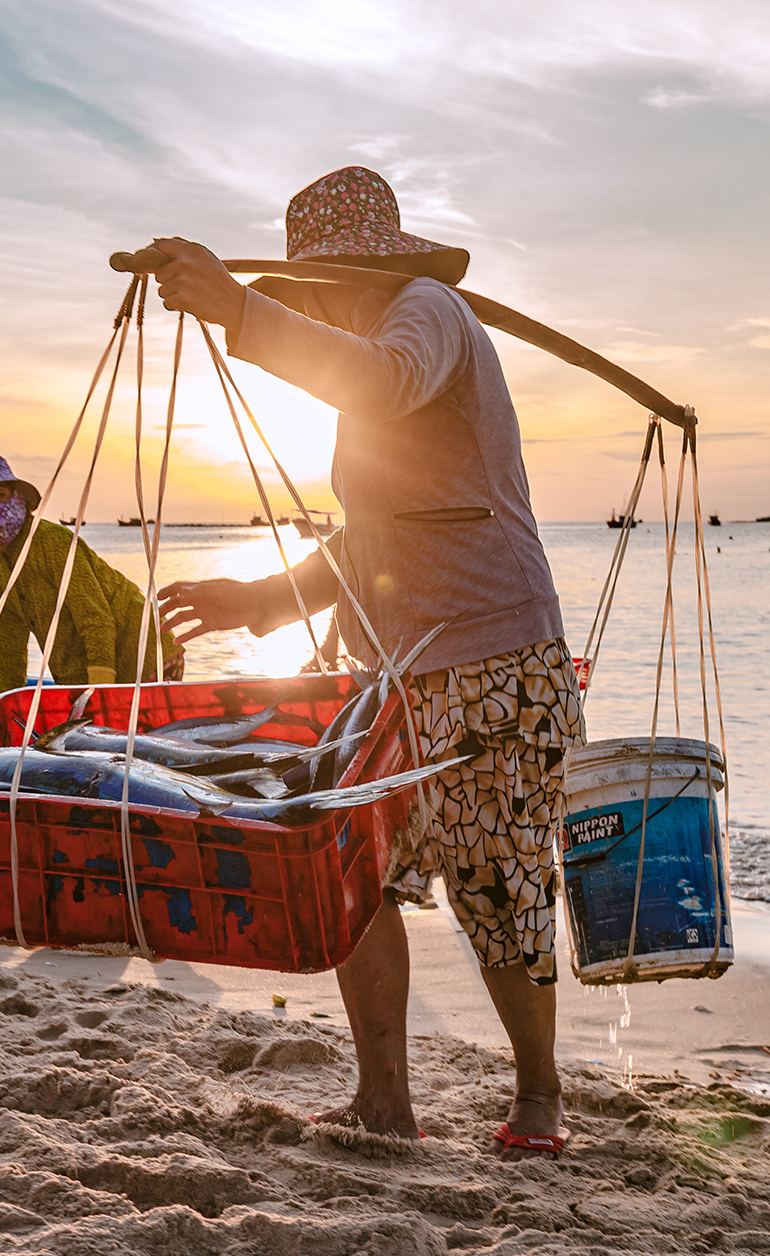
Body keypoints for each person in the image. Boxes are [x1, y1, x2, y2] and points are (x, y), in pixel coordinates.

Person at [150, 166, 583, 1159]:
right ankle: (382, 1096)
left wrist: (237, 310)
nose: (321, 304)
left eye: (321, 288)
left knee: (496, 885)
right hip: (396, 676)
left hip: (491, 660)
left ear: (365, 270)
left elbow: (381, 378)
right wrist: (253, 600)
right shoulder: (370, 352)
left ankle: (538, 1099)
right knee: (358, 882)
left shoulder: (424, 316)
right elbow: (367, 547)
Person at [0, 452, 182, 694]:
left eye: (0, 495)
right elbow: (7, 651)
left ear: (18, 498)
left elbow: (94, 617)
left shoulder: (53, 541)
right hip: (85, 673)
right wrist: (4, 709)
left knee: (134, 729)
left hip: (147, 652)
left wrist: (98, 688)